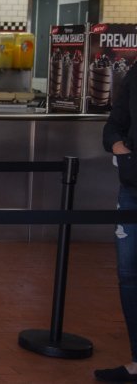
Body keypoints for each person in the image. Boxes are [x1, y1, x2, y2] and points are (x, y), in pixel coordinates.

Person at [97, 65, 137, 383]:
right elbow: (114, 126)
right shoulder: (136, 73)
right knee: (129, 274)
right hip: (133, 189)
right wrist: (119, 148)